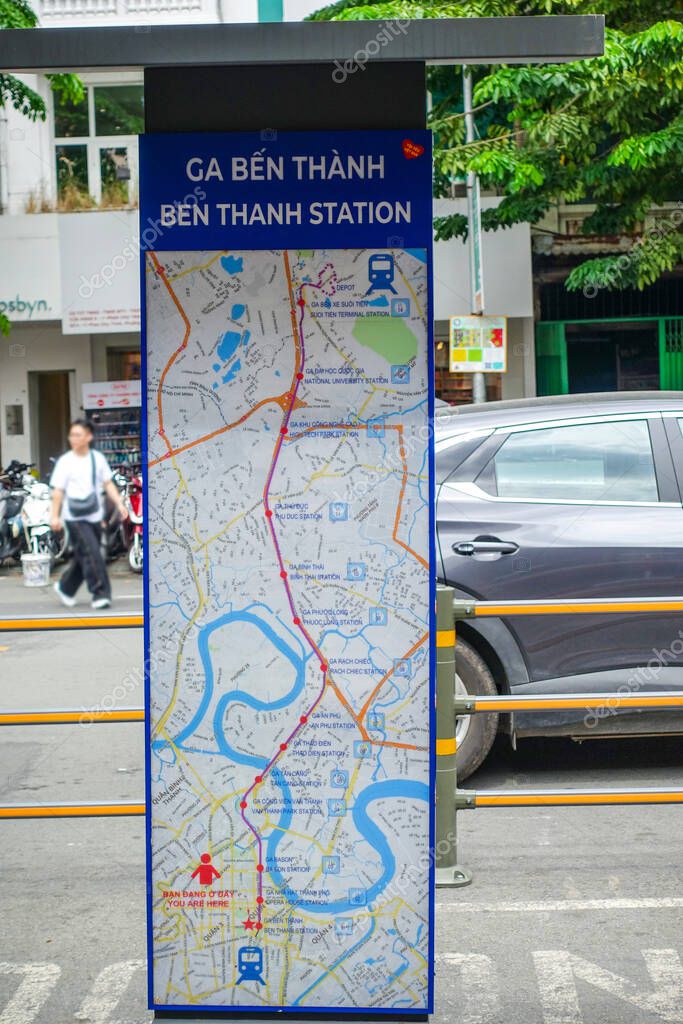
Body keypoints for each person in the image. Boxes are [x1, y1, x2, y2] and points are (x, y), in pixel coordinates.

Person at [50, 418, 128, 610]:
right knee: (93, 553)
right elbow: (58, 491)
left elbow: (108, 483)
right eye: (72, 435)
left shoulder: (97, 458)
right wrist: (54, 516)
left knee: (85, 554)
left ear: (88, 437)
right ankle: (101, 593)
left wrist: (119, 503)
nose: (73, 439)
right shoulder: (65, 462)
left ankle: (65, 587)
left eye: (77, 435)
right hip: (74, 517)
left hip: (94, 515)